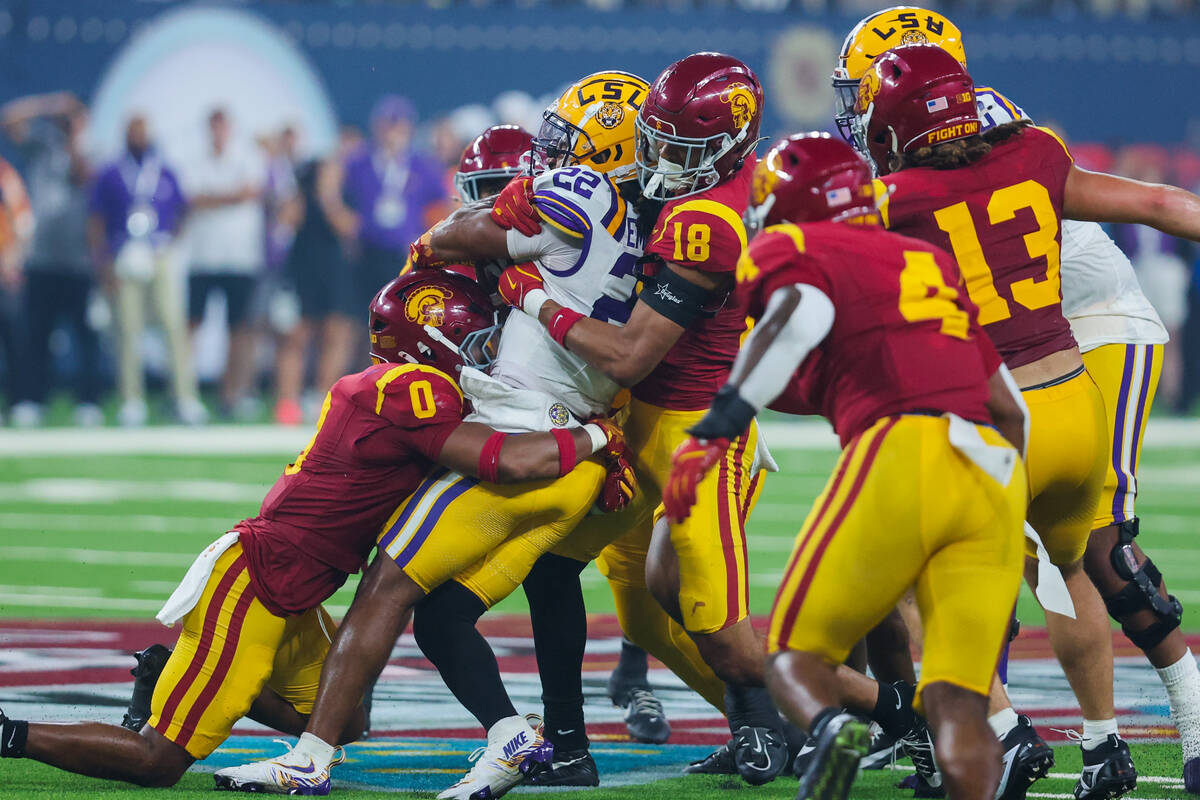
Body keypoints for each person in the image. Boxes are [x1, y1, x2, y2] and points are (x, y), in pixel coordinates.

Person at [214, 70, 682, 800]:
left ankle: (310, 758)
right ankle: (524, 738)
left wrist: (459, 235)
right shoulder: (652, 225)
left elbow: (457, 235)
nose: (549, 155)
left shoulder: (585, 196)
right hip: (583, 451)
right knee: (445, 612)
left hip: (533, 442)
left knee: (386, 586)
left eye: (566, 141)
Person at [0, 269, 627, 793]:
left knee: (344, 716)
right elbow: (506, 461)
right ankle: (11, 733)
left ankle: (174, 674)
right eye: (473, 335)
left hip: (297, 584)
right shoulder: (410, 390)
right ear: (437, 335)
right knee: (159, 762)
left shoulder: (394, 385)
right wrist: (600, 435)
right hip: (258, 581)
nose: (482, 348)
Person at [854, 41, 1200, 800]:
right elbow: (1157, 203)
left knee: (901, 574)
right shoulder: (1034, 152)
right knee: (1067, 566)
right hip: (1073, 397)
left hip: (1006, 414)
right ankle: (1107, 747)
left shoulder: (893, 200)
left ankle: (1008, 734)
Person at [662, 131, 1028, 800]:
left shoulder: (796, 244)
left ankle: (831, 730)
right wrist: (1012, 539)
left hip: (904, 450)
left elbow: (801, 317)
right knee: (958, 703)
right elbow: (1011, 412)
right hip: (995, 474)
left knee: (794, 657)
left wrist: (716, 431)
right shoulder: (925, 259)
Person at [492, 53, 804, 786]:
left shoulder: (701, 216)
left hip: (699, 433)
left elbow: (631, 354)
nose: (659, 158)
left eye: (576, 158)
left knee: (714, 622)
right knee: (573, 573)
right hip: (638, 424)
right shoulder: (664, 196)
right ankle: (570, 748)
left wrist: (530, 295)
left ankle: (848, 717)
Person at [88, 115, 204, 427]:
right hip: (123, 255)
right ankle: (132, 399)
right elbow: (96, 219)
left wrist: (170, 243)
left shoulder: (164, 170)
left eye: (143, 131)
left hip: (158, 253)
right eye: (133, 131)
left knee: (173, 326)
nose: (139, 136)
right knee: (127, 329)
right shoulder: (111, 172)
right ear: (125, 135)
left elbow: (184, 208)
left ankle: (184, 397)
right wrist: (103, 263)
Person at [0, 91, 101, 427]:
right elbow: (9, 118)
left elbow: (82, 175)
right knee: (37, 334)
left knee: (84, 335)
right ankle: (32, 398)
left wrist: (76, 135)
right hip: (42, 258)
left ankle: (87, 400)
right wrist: (48, 104)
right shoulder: (42, 145)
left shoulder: (91, 150)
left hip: (78, 260)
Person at [322, 95, 449, 328]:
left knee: (395, 323)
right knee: (351, 324)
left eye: (398, 125)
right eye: (388, 124)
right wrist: (338, 216)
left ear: (409, 128)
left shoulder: (422, 165)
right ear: (377, 127)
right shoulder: (359, 160)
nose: (393, 132)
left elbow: (444, 204)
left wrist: (426, 239)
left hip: (402, 255)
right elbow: (330, 183)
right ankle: (356, 366)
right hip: (364, 251)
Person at [183, 108, 266, 420]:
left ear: (230, 128)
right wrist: (232, 196)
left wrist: (212, 197)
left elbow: (251, 192)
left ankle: (232, 393)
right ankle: (185, 392)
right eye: (214, 125)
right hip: (203, 256)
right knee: (192, 325)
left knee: (240, 329)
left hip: (240, 256)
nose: (219, 131)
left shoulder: (248, 155)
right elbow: (192, 198)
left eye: (223, 125)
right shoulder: (194, 158)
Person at [0, 154, 32, 426]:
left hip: (4, 268)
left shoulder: (5, 175)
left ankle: (19, 400)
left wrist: (12, 260)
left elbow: (23, 222)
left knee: (13, 338)